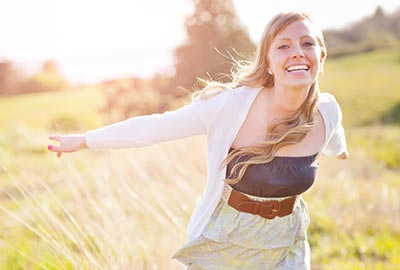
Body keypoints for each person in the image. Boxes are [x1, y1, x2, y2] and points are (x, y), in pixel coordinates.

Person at [48, 11, 349, 270]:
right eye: (283, 45)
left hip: (285, 245)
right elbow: (155, 128)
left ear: (320, 56)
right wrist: (86, 139)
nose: (297, 51)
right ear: (268, 62)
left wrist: (342, 152)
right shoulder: (230, 106)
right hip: (225, 241)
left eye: (307, 43)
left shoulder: (326, 112)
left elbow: (336, 142)